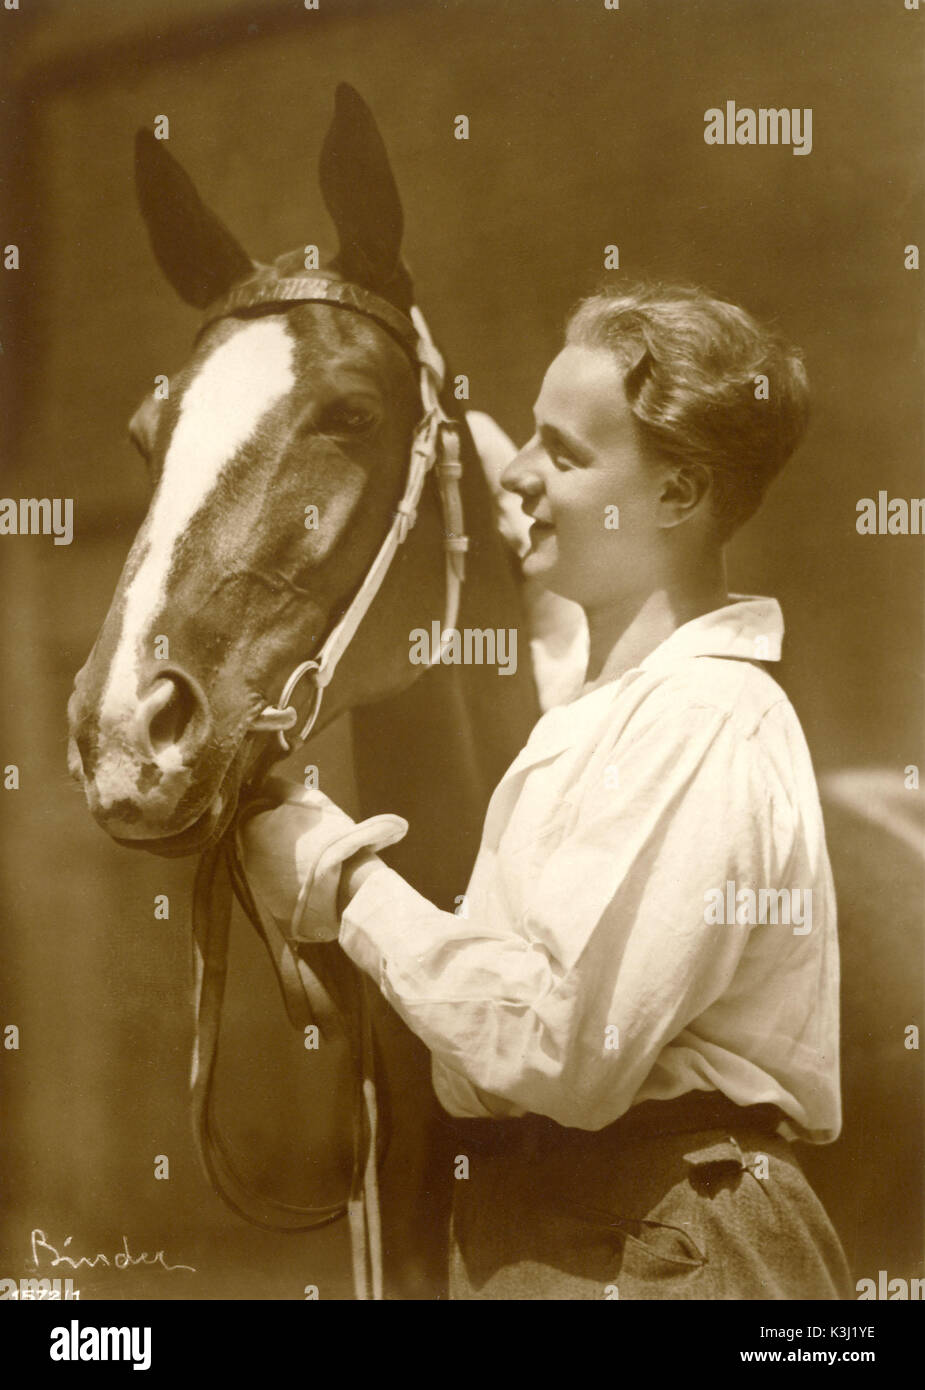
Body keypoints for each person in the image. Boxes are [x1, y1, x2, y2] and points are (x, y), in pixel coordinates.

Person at [241, 282, 852, 1300]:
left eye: (564, 452)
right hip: (562, 1233)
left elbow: (563, 1047)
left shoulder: (701, 720)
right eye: (529, 435)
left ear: (676, 494)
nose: (518, 473)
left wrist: (344, 887)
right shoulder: (607, 713)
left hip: (669, 1242)